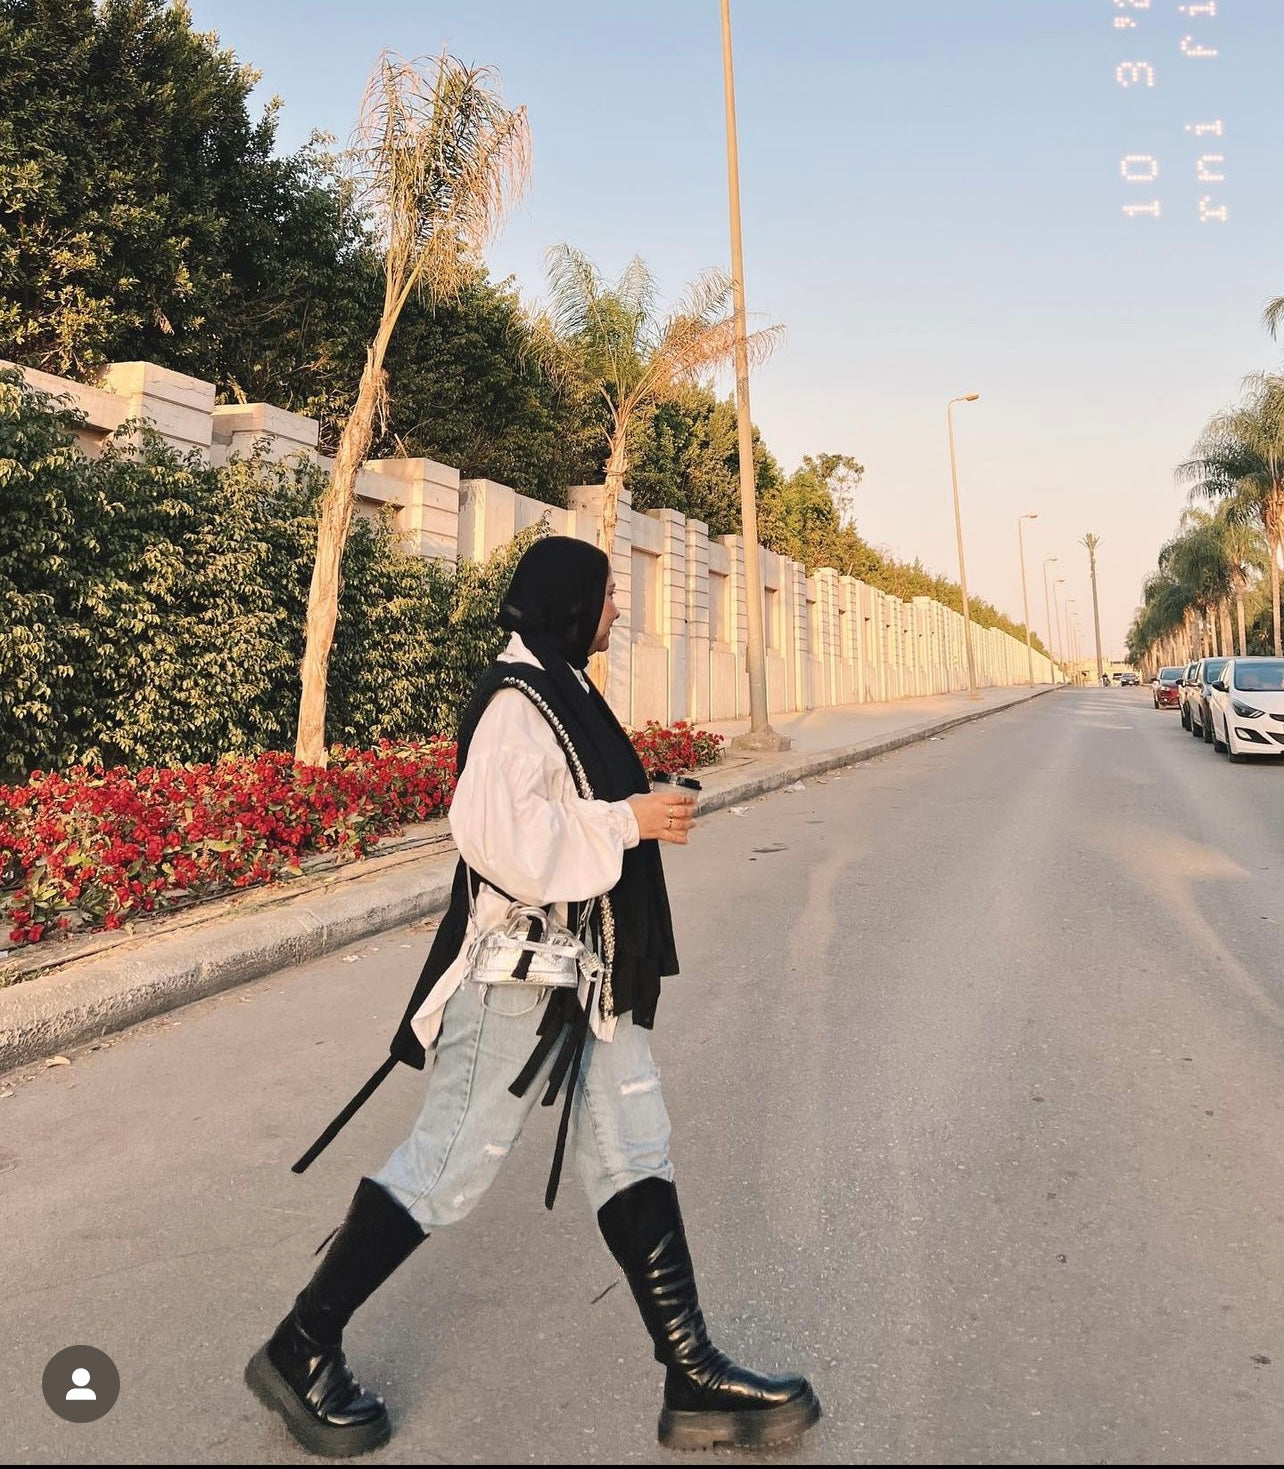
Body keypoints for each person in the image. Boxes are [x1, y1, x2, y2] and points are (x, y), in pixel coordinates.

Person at [244, 536, 821, 1458]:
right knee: (448, 1166)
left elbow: (568, 810)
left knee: (636, 1146)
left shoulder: (564, 684)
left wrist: (633, 815)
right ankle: (298, 1346)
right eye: (608, 598)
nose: (618, 612)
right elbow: (495, 835)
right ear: (567, 603)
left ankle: (693, 1373)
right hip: (522, 981)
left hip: (594, 975)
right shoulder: (518, 701)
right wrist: (629, 819)